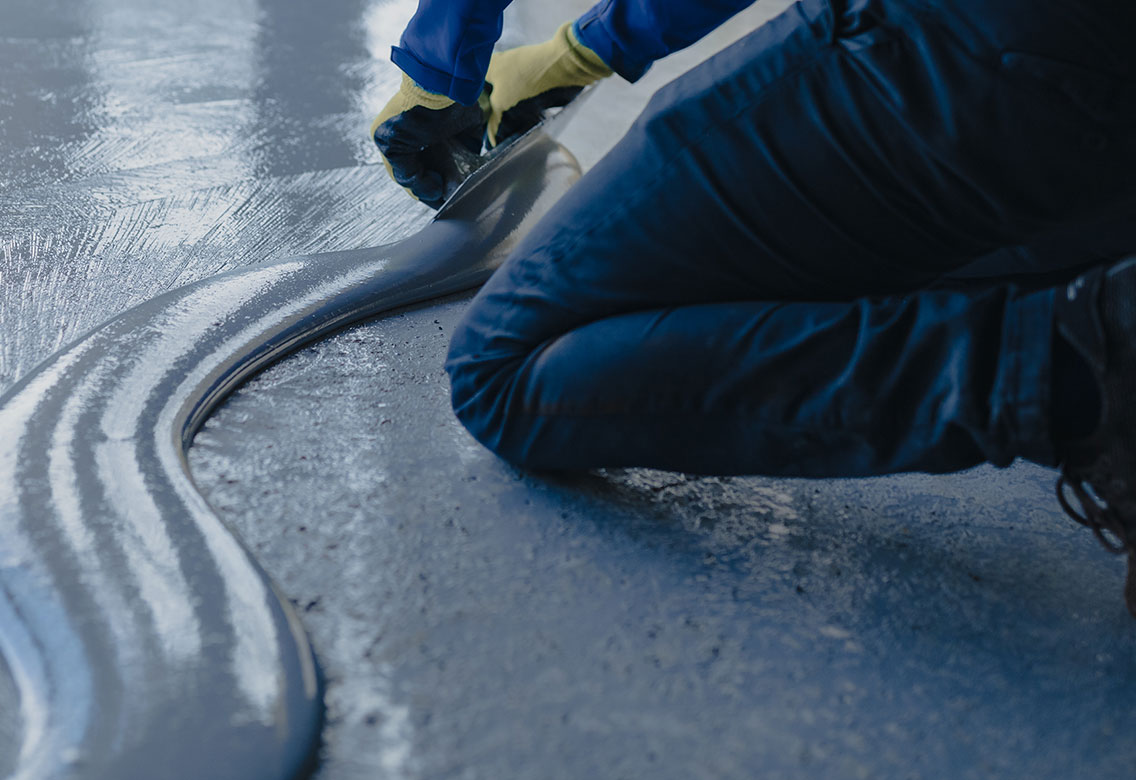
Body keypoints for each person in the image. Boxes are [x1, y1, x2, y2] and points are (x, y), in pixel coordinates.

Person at [372, 0, 1136, 615]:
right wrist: (586, 48)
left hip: (994, 45)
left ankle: (1083, 373)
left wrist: (444, 57)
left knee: (500, 371)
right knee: (894, 266)